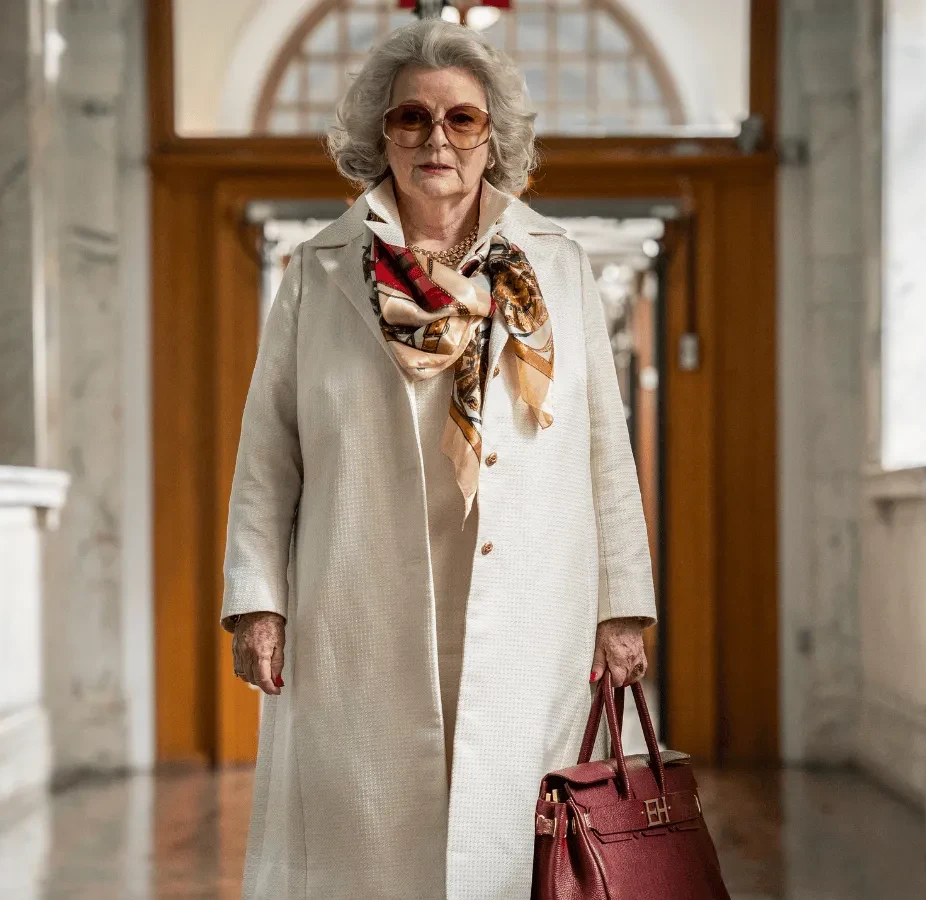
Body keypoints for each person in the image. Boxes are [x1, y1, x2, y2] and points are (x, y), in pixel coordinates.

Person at [220, 18, 657, 899]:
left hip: (532, 604)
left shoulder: (555, 267)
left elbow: (605, 448)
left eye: (462, 119)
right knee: (372, 839)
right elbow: (269, 449)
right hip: (363, 600)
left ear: (492, 139)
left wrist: (624, 609)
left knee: (517, 832)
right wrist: (256, 603)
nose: (436, 139)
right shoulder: (319, 271)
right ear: (378, 135)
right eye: (411, 118)